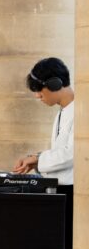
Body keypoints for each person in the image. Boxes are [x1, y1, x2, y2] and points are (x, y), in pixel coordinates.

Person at [14, 57, 74, 185]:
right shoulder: (62, 112)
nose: (37, 95)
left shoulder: (82, 112)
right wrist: (36, 161)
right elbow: (61, 153)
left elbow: (73, 154)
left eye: (39, 89)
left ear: (55, 84)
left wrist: (38, 159)